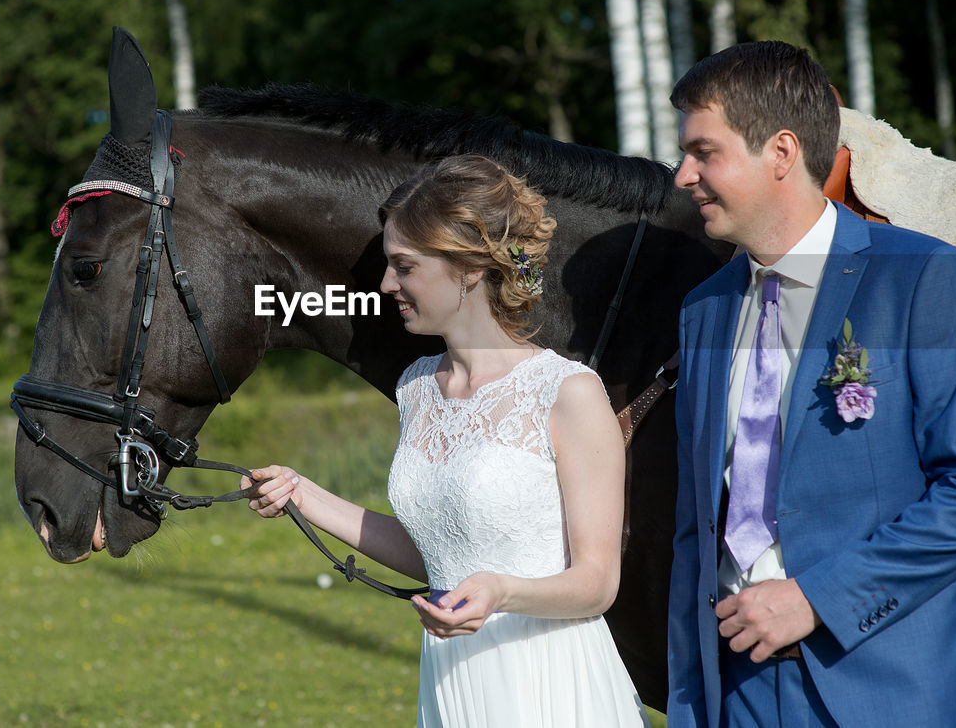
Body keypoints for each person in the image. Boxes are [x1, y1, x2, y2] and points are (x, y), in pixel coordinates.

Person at [666, 40, 956, 728]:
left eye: (704, 152)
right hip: (734, 691)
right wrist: (693, 701)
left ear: (780, 152)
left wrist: (816, 599)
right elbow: (696, 525)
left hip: (887, 686)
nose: (683, 175)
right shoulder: (703, 308)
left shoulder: (922, 278)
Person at [241, 154, 650, 727]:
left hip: (548, 679)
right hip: (454, 678)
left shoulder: (568, 392)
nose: (387, 285)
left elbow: (597, 583)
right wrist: (303, 495)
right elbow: (437, 551)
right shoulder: (415, 389)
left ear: (469, 269)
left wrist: (499, 592)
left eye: (404, 266)